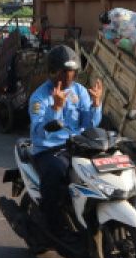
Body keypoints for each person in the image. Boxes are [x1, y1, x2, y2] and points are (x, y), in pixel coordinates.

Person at [27, 44, 104, 244]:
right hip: (49, 149)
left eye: (71, 72)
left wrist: (96, 105)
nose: (68, 76)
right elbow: (38, 130)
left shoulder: (80, 91)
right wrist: (57, 108)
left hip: (78, 146)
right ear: (52, 72)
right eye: (63, 72)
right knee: (56, 174)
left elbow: (89, 125)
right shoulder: (39, 97)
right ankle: (54, 227)